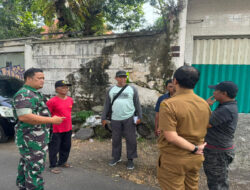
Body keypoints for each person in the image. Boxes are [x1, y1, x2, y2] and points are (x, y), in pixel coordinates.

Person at [157, 65, 211, 190]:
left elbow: (171, 137)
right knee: (192, 187)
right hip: (195, 160)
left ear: (175, 81)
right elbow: (206, 126)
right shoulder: (204, 104)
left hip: (175, 158)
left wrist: (195, 148)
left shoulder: (168, 104)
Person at [12, 68, 64, 190]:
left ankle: (23, 186)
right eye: (39, 78)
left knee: (27, 164)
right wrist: (52, 120)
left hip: (34, 139)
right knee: (35, 169)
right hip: (31, 140)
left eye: (43, 78)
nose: (42, 81)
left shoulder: (34, 93)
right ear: (29, 79)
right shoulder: (24, 94)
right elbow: (24, 116)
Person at [101, 70, 142, 170]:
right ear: (116, 78)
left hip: (129, 117)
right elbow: (107, 104)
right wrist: (103, 118)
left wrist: (139, 117)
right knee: (116, 139)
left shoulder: (132, 89)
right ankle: (116, 157)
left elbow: (137, 104)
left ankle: (130, 159)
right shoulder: (111, 90)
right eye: (120, 77)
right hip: (115, 118)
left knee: (131, 139)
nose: (123, 79)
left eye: (125, 77)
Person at [204, 81, 238, 190]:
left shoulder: (226, 109)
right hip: (219, 150)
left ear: (224, 93)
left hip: (217, 152)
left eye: (216, 91)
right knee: (218, 181)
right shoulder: (226, 106)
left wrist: (205, 106)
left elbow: (206, 123)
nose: (213, 93)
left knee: (217, 184)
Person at [46, 80, 74, 174]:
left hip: (68, 128)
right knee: (54, 148)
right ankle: (53, 165)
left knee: (66, 146)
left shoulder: (70, 99)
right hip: (56, 129)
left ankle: (62, 162)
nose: (65, 89)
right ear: (57, 89)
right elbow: (47, 115)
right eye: (63, 87)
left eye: (67, 87)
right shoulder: (51, 101)